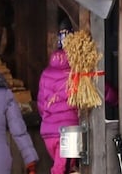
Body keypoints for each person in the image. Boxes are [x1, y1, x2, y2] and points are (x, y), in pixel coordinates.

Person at [36, 40, 79, 173]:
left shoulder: (46, 73)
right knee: (62, 170)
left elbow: (41, 104)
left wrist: (49, 120)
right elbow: (102, 89)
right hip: (69, 132)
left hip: (49, 133)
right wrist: (116, 99)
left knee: (64, 167)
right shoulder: (76, 73)